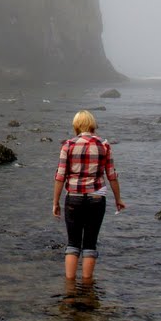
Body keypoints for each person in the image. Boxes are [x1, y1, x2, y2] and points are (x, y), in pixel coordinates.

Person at [52, 110, 126, 282]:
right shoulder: (104, 145)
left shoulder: (68, 145)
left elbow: (60, 176)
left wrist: (55, 202)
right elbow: (112, 175)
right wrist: (118, 199)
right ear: (92, 124)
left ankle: (70, 286)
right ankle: (87, 285)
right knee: (90, 243)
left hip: (74, 197)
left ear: (76, 125)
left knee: (72, 243)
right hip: (97, 197)